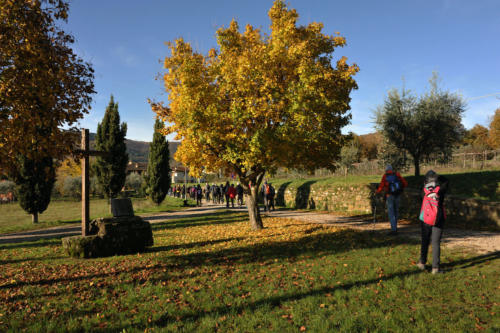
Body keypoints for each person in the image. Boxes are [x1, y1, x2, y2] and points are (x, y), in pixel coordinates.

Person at [417, 170, 449, 274]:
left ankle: (422, 262)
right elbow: (446, 180)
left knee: (425, 240)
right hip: (438, 219)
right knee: (436, 243)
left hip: (425, 218)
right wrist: (439, 177)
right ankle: (435, 268)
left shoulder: (423, 190)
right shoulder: (441, 189)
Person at [376, 165, 407, 235]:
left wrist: (377, 191)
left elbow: (381, 186)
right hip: (397, 195)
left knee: (391, 213)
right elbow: (405, 183)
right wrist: (400, 189)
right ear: (392, 169)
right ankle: (395, 228)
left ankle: (393, 229)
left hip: (389, 195)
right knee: (396, 212)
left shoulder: (385, 176)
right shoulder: (397, 174)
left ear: (386, 170)